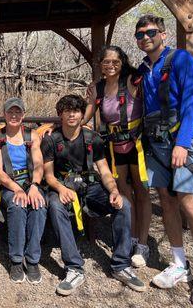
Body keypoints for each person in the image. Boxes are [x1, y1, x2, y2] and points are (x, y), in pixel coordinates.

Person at [134, 14, 193, 307]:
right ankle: (179, 263)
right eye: (140, 34)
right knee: (166, 201)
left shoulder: (180, 59)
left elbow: (192, 101)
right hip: (156, 141)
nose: (145, 37)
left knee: (187, 200)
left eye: (150, 32)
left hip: (183, 137)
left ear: (163, 34)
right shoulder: (144, 69)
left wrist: (182, 143)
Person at [42, 94, 146, 296]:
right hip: (63, 187)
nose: (72, 115)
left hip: (91, 186)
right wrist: (61, 189)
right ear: (60, 115)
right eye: (67, 111)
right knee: (55, 206)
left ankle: (120, 265)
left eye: (76, 111)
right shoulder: (51, 140)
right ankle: (73, 267)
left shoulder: (93, 139)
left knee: (123, 204)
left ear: (83, 114)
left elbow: (104, 170)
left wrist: (114, 190)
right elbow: (48, 176)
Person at [84, 46, 152, 268]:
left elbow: (152, 101)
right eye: (106, 62)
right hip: (114, 146)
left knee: (142, 192)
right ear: (100, 64)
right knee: (124, 192)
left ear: (122, 62)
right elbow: (86, 115)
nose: (110, 65)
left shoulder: (133, 81)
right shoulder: (99, 88)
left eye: (115, 61)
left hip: (136, 145)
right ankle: (130, 238)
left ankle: (142, 244)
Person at [0, 97, 47, 284]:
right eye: (10, 112)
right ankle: (15, 259)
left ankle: (32, 259)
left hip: (30, 182)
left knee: (38, 206)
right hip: (9, 184)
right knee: (17, 206)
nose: (14, 115)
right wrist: (17, 189)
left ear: (23, 115)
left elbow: (39, 165)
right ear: (4, 114)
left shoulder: (32, 135)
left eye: (18, 112)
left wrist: (34, 186)